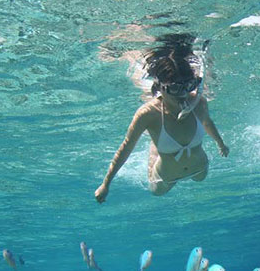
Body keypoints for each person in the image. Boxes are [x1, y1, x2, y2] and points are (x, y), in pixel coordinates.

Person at [95, 34, 229, 202]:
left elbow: (207, 122)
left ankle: (161, 140)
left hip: (199, 170)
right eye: (174, 88)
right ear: (160, 87)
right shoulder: (148, 114)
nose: (182, 94)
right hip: (163, 179)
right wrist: (106, 184)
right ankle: (157, 143)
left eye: (187, 86)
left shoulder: (198, 102)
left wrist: (220, 143)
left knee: (199, 176)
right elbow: (125, 149)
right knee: (157, 190)